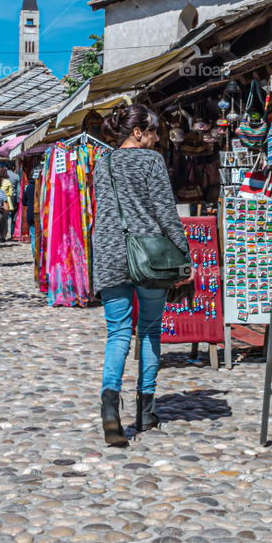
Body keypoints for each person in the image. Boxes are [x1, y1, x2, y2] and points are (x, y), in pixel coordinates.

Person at [92, 103, 191, 447]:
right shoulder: (151, 161)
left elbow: (102, 210)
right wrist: (184, 257)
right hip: (148, 255)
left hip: (108, 252)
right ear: (138, 132)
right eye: (153, 132)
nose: (156, 139)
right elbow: (165, 211)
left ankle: (109, 406)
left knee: (117, 332)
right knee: (149, 330)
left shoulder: (101, 163)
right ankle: (146, 412)